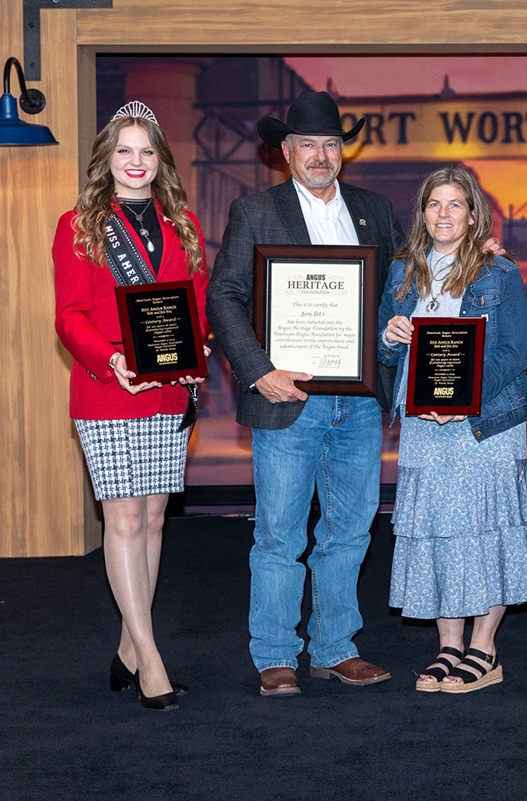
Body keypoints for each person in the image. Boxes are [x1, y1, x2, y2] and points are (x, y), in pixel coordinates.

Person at [206, 90, 403, 697]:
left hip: (359, 401)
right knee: (281, 535)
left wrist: (477, 263)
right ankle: (274, 654)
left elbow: (405, 283)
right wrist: (258, 368)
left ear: (344, 150)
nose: (320, 155)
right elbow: (224, 296)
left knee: (349, 530)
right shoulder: (255, 210)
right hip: (287, 398)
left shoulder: (374, 209)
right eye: (308, 144)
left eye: (331, 144)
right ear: (285, 151)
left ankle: (335, 646)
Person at [52, 101, 209, 711]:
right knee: (121, 519)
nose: (136, 162)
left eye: (147, 151)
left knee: (152, 520)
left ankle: (124, 651)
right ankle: (150, 659)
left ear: (160, 160)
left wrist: (192, 351)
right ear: (106, 159)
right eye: (124, 150)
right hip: (108, 387)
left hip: (167, 389)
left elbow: (192, 312)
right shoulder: (80, 225)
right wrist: (111, 360)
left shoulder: (183, 224)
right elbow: (69, 316)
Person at [380, 165, 527, 694]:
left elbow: (518, 350)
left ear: (473, 214)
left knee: (486, 531)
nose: (443, 214)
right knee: (436, 534)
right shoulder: (403, 271)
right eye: (433, 204)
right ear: (421, 213)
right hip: (425, 427)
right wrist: (391, 336)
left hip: (483, 425)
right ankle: (448, 647)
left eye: (455, 205)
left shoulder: (500, 273)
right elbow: (381, 352)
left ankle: (484, 649)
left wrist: (467, 402)